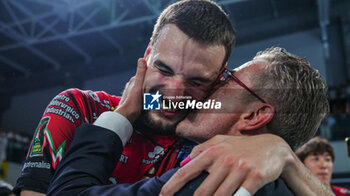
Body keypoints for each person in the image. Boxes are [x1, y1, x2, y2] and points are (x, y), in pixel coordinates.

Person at [14, 0, 235, 195]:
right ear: (148, 55)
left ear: (218, 78)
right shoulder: (79, 107)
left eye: (196, 82)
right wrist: (122, 115)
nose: (174, 93)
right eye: (164, 70)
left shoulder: (207, 141)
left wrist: (270, 148)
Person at [47, 47, 331, 195]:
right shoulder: (288, 186)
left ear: (255, 116)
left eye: (226, 80)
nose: (205, 91)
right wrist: (284, 153)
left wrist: (119, 117)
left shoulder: (206, 183)